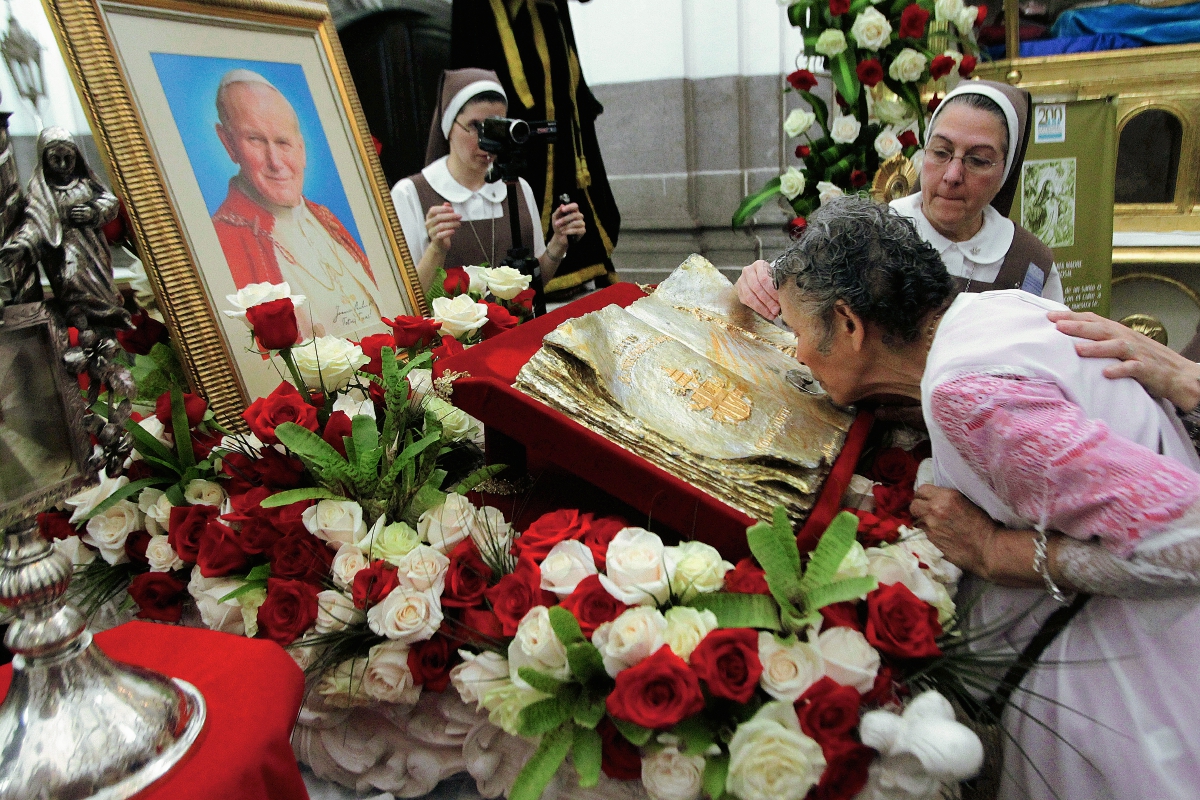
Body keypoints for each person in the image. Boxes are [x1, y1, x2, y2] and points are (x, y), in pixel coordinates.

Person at [776, 195, 1200, 800]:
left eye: (795, 331)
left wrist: (996, 549)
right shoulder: (992, 311)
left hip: (1133, 702)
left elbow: (1187, 538)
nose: (795, 353)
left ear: (848, 325)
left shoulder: (967, 394)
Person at [736, 80, 1061, 320]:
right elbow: (779, 307)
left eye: (977, 160)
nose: (952, 175)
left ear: (1005, 171)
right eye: (941, 152)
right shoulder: (865, 234)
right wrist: (755, 284)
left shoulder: (1030, 263)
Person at [450, 0, 621, 294]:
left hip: (549, 48)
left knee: (566, 158)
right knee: (529, 164)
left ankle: (579, 262)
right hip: (506, 55)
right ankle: (540, 271)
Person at [211, 69, 380, 338]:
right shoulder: (223, 240)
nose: (275, 162)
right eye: (255, 140)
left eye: (283, 142)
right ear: (228, 143)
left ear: (301, 149)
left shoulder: (325, 219)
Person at [391, 68, 585, 294]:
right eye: (475, 126)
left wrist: (558, 244)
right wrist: (436, 249)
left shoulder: (517, 188)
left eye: (495, 126)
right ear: (449, 127)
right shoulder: (410, 194)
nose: (486, 141)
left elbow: (532, 287)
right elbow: (405, 297)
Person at [0, 127, 129, 331]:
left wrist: (93, 211)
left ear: (77, 157)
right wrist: (22, 245)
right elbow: (35, 223)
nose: (63, 165)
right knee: (71, 278)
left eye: (68, 158)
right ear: (44, 160)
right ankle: (80, 318)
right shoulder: (42, 192)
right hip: (62, 252)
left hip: (92, 249)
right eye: (55, 159)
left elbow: (110, 202)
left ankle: (109, 316)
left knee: (102, 288)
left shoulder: (86, 182)